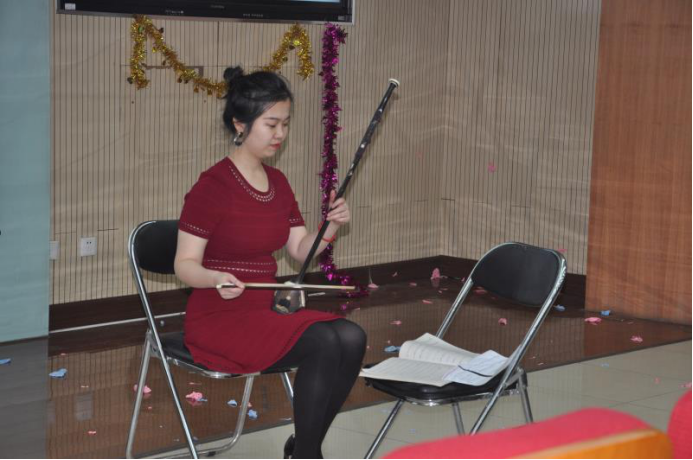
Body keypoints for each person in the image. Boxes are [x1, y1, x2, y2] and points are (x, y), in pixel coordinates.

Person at [174, 66, 367, 459]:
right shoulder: (212, 187)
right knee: (324, 342)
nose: (280, 134)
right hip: (219, 316)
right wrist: (215, 277)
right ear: (240, 124)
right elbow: (185, 264)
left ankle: (305, 449)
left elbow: (300, 249)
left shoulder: (278, 183)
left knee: (352, 337)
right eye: (271, 124)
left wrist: (330, 226)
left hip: (265, 310)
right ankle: (308, 455)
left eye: (286, 124)